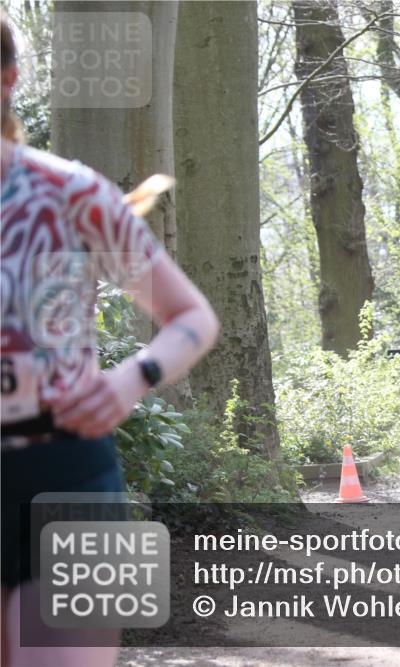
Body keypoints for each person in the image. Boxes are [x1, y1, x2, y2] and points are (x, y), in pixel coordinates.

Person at [1, 13, 220, 666]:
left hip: (73, 471)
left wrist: (132, 379)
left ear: (8, 79)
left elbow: (191, 317)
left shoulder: (73, 194)